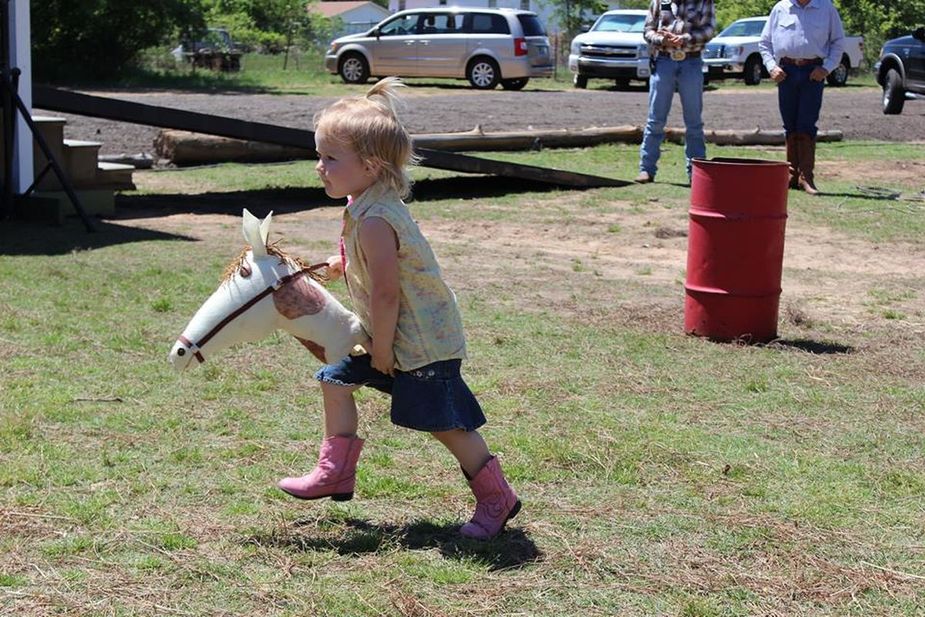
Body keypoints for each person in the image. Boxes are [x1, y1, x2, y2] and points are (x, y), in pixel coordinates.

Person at [277, 78, 521, 540]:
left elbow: (388, 291)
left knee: (447, 426)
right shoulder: (364, 206)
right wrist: (340, 264)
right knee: (335, 381)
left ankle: (497, 498)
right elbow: (377, 267)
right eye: (320, 155)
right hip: (391, 337)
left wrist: (383, 349)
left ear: (368, 165)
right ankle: (336, 473)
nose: (319, 167)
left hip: (418, 344)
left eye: (330, 158)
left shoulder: (374, 220)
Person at [759, 0, 845, 195]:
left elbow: (838, 41)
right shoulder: (780, 8)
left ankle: (806, 176)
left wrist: (827, 68)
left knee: (806, 123)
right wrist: (772, 67)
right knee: (789, 124)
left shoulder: (826, 8)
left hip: (812, 72)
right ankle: (791, 175)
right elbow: (764, 42)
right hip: (786, 72)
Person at [636, 0, 716, 185]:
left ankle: (696, 173)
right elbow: (647, 30)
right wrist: (660, 39)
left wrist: (685, 38)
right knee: (655, 119)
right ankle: (646, 170)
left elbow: (710, 30)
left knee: (694, 121)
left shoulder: (704, 2)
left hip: (691, 61)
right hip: (663, 60)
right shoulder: (659, 1)